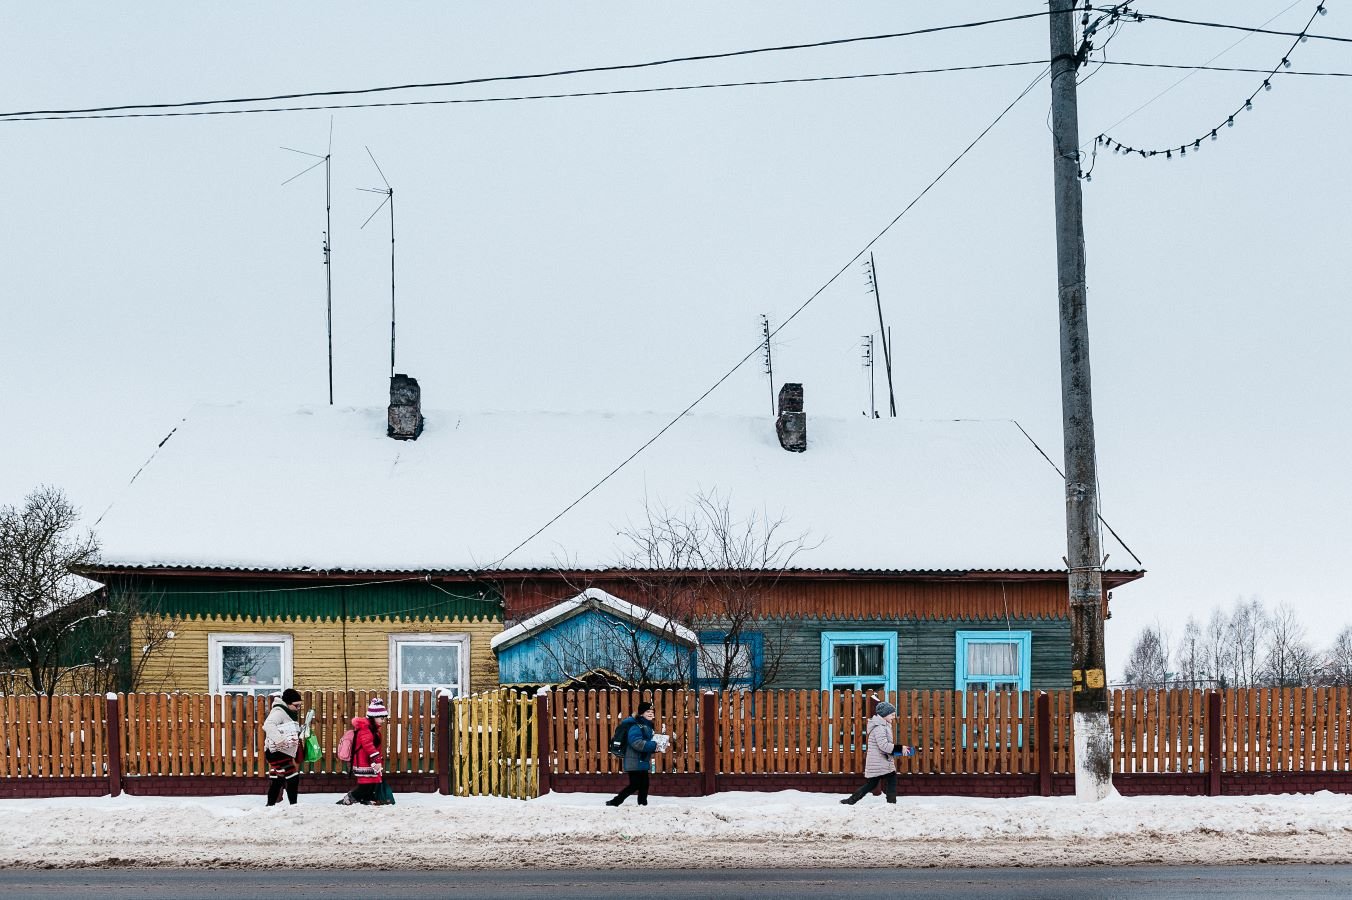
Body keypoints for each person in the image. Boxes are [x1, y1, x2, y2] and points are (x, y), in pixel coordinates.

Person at [841, 701, 913, 805]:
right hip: (880, 761)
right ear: (884, 715)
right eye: (892, 714)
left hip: (881, 760)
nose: (894, 716)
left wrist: (900, 750)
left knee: (873, 784)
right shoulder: (879, 728)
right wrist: (901, 749)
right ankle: (891, 803)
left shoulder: (884, 725)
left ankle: (852, 800)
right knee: (889, 779)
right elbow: (883, 746)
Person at [605, 700, 668, 807]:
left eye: (652, 712)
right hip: (634, 760)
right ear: (641, 713)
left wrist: (656, 747)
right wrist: (653, 745)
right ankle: (616, 802)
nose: (650, 713)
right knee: (635, 785)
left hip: (641, 760)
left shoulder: (646, 726)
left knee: (644, 785)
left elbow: (645, 744)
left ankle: (642, 805)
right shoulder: (636, 726)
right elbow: (636, 743)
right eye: (648, 711)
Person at [338, 697, 391, 805]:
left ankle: (366, 800)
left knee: (372, 784)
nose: (383, 720)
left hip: (369, 762)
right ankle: (349, 798)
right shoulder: (365, 730)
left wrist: (377, 760)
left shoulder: (373, 729)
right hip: (363, 763)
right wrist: (376, 759)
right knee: (365, 786)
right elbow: (368, 746)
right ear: (374, 717)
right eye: (382, 717)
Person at [262, 688, 304, 806]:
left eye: (299, 705)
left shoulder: (288, 712)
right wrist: (279, 739)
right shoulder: (279, 712)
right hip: (277, 753)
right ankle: (293, 806)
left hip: (281, 752)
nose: (298, 708)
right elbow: (268, 725)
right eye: (296, 705)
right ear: (288, 703)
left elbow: (286, 729)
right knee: (293, 778)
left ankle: (269, 806)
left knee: (278, 780)